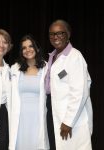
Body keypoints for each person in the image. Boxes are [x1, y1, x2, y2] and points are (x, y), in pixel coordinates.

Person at [45, 19, 93, 150]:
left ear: (68, 35)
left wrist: (68, 121)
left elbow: (80, 92)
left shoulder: (75, 57)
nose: (55, 37)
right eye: (52, 34)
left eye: (60, 33)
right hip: (54, 115)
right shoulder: (52, 57)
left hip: (71, 121)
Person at [9, 35, 49, 150]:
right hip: (20, 120)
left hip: (39, 118)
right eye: (24, 48)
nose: (28, 50)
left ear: (36, 48)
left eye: (31, 46)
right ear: (21, 52)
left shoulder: (46, 68)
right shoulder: (15, 68)